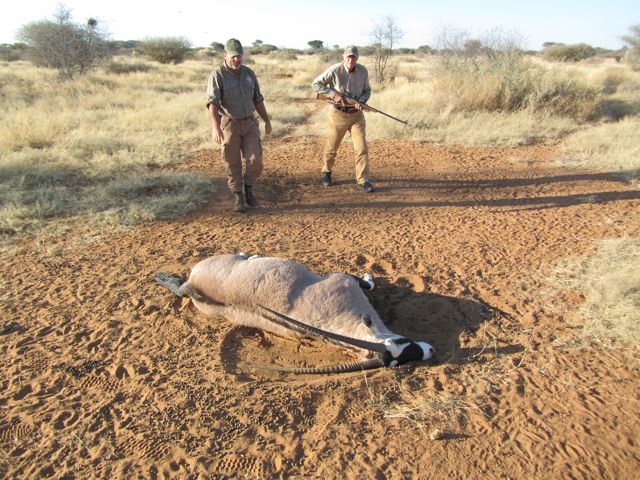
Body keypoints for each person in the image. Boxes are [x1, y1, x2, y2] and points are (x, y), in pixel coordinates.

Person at [206, 38, 272, 212]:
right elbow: (213, 104)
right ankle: (238, 196)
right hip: (229, 124)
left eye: (240, 56)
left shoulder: (249, 74)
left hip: (249, 122)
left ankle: (249, 188)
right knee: (232, 161)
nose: (237, 60)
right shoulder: (217, 75)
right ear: (226, 55)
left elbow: (258, 99)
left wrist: (266, 120)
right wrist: (216, 127)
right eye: (234, 56)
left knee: (255, 160)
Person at [311, 45, 374, 193]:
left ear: (357, 58)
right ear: (343, 57)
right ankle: (326, 172)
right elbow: (316, 84)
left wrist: (362, 101)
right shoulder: (334, 70)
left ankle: (362, 180)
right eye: (348, 57)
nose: (350, 60)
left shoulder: (363, 71)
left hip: (356, 115)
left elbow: (367, 90)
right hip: (337, 114)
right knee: (332, 147)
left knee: (362, 148)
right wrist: (333, 94)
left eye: (353, 57)